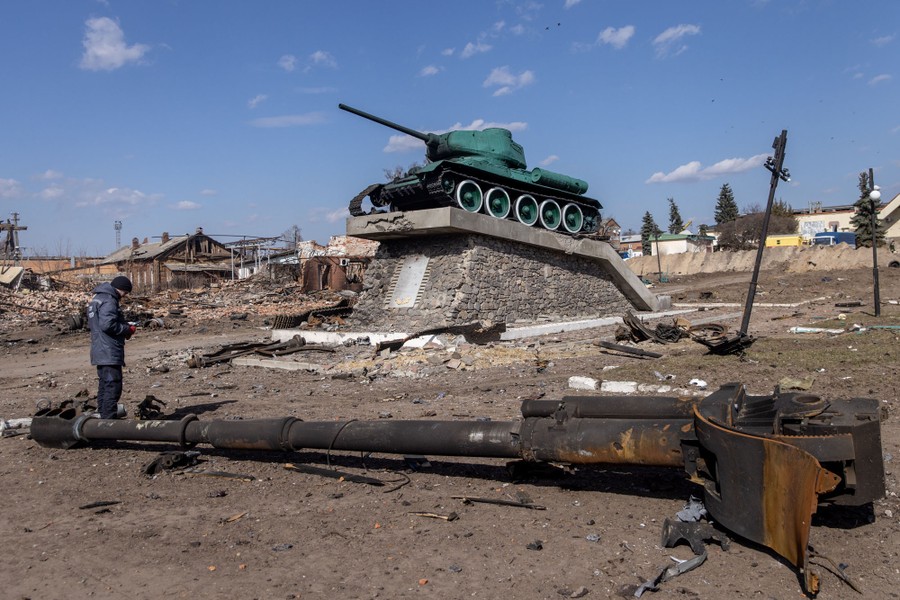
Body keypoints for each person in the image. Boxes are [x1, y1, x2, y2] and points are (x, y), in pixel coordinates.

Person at [87, 276, 136, 419]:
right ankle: (108, 422)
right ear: (120, 289)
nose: (125, 296)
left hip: (99, 349)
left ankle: (101, 419)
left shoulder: (97, 299)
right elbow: (107, 324)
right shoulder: (109, 300)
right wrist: (127, 329)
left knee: (104, 386)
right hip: (109, 350)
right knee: (113, 387)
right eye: (125, 292)